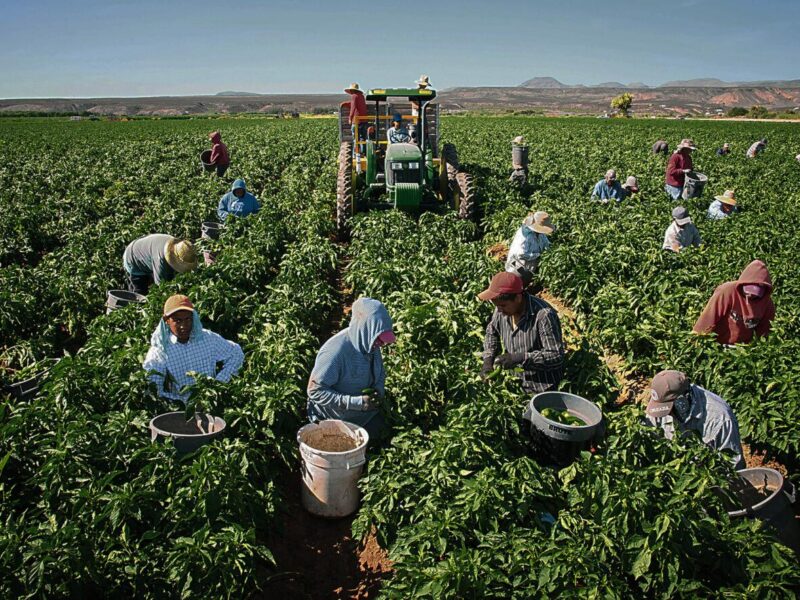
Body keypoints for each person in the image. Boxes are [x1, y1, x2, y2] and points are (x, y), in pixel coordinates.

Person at [307, 297, 395, 441]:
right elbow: (315, 391)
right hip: (334, 418)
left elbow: (380, 372)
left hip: (365, 414)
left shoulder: (370, 344)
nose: (382, 344)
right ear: (365, 330)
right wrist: (357, 403)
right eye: (379, 338)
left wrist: (379, 389)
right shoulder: (335, 353)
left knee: (384, 438)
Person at [143, 294, 244, 403]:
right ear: (167, 321)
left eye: (188, 319)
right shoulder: (160, 350)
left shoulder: (207, 338)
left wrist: (218, 383)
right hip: (180, 412)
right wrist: (183, 403)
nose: (184, 325)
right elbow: (155, 391)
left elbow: (236, 352)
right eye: (177, 321)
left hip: (211, 402)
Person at [479, 272, 564, 400]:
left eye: (502, 305)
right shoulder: (501, 310)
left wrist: (521, 358)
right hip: (515, 384)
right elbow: (492, 332)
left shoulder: (543, 315)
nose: (499, 310)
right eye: (496, 306)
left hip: (542, 388)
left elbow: (556, 355)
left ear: (518, 298)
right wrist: (488, 360)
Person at [645, 370, 744, 469]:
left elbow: (733, 465)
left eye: (669, 408)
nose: (668, 414)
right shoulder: (659, 403)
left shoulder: (719, 419)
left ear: (683, 398)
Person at [693, 259, 775, 345]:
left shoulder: (767, 304)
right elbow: (709, 317)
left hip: (741, 348)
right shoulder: (726, 291)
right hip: (717, 343)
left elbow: (764, 332)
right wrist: (696, 340)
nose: (750, 295)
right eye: (748, 292)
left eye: (755, 294)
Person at [123, 234, 198, 295]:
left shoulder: (176, 246)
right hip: (133, 258)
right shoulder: (160, 260)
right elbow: (161, 288)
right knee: (140, 294)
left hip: (147, 253)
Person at [505, 212, 553, 286]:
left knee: (526, 280)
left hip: (530, 265)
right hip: (517, 265)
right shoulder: (525, 237)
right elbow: (521, 254)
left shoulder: (540, 234)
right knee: (517, 283)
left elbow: (546, 244)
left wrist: (551, 252)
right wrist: (539, 255)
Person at [345, 82, 368, 149]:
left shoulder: (354, 96)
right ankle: (364, 152)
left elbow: (353, 107)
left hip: (357, 120)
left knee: (356, 138)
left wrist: (350, 118)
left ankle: (356, 153)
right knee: (362, 138)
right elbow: (358, 104)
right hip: (364, 120)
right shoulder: (361, 96)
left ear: (352, 90)